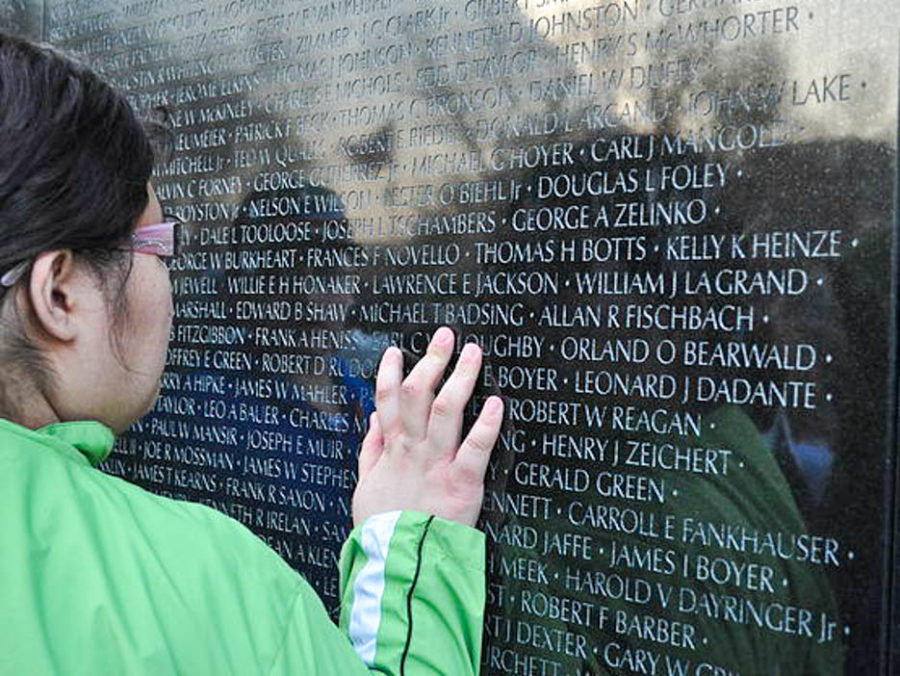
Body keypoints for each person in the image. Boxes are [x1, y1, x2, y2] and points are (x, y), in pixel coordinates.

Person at [0, 33, 504, 674]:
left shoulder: (372, 383)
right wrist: (410, 545)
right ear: (61, 296)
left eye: (339, 263)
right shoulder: (208, 586)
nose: (326, 288)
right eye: (157, 245)